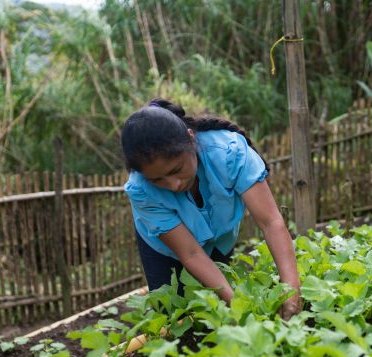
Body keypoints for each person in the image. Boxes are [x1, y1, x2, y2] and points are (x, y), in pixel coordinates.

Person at [121, 98, 302, 320]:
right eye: (158, 180)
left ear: (191, 139)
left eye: (177, 169)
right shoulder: (141, 190)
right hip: (164, 250)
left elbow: (270, 221)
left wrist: (291, 288)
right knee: (173, 317)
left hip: (219, 237)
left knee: (218, 306)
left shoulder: (229, 152)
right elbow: (190, 252)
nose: (173, 184)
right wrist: (239, 307)